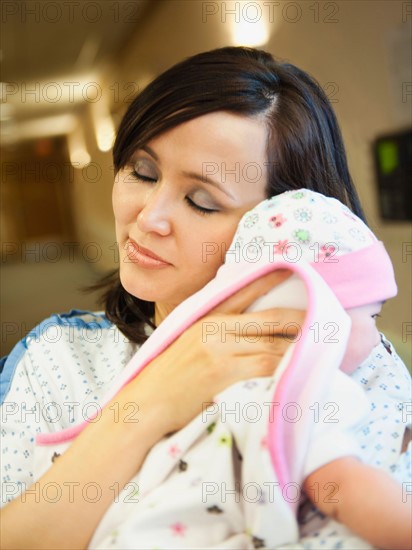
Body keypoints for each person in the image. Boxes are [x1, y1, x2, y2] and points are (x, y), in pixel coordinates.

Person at [0, 47, 410, 549]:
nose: (149, 218)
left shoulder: (340, 370)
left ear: (281, 229)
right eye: (143, 172)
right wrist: (149, 403)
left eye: (201, 201)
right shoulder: (57, 358)